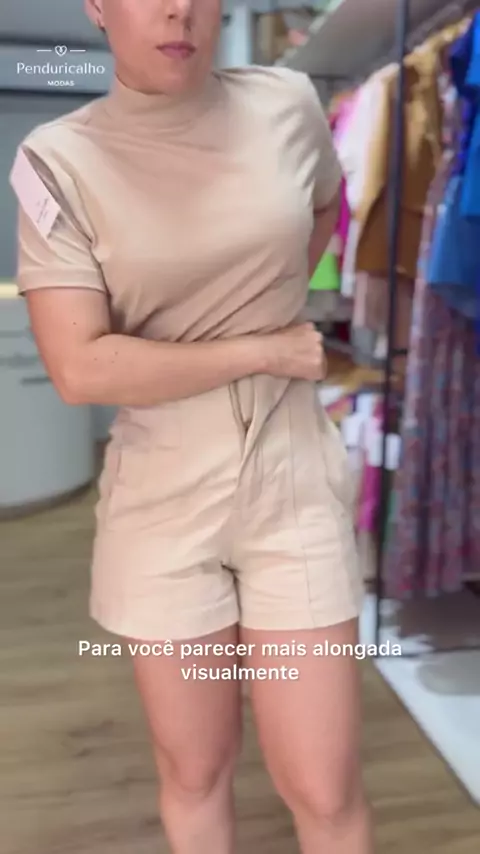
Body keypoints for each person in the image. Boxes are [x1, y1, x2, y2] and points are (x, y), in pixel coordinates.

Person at [12, 1, 372, 852]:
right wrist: (264, 347)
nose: (179, 8)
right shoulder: (55, 161)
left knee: (325, 786)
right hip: (163, 497)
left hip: (291, 476)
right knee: (196, 770)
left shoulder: (287, 104)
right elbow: (81, 368)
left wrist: (268, 298)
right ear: (97, 6)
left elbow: (326, 205)